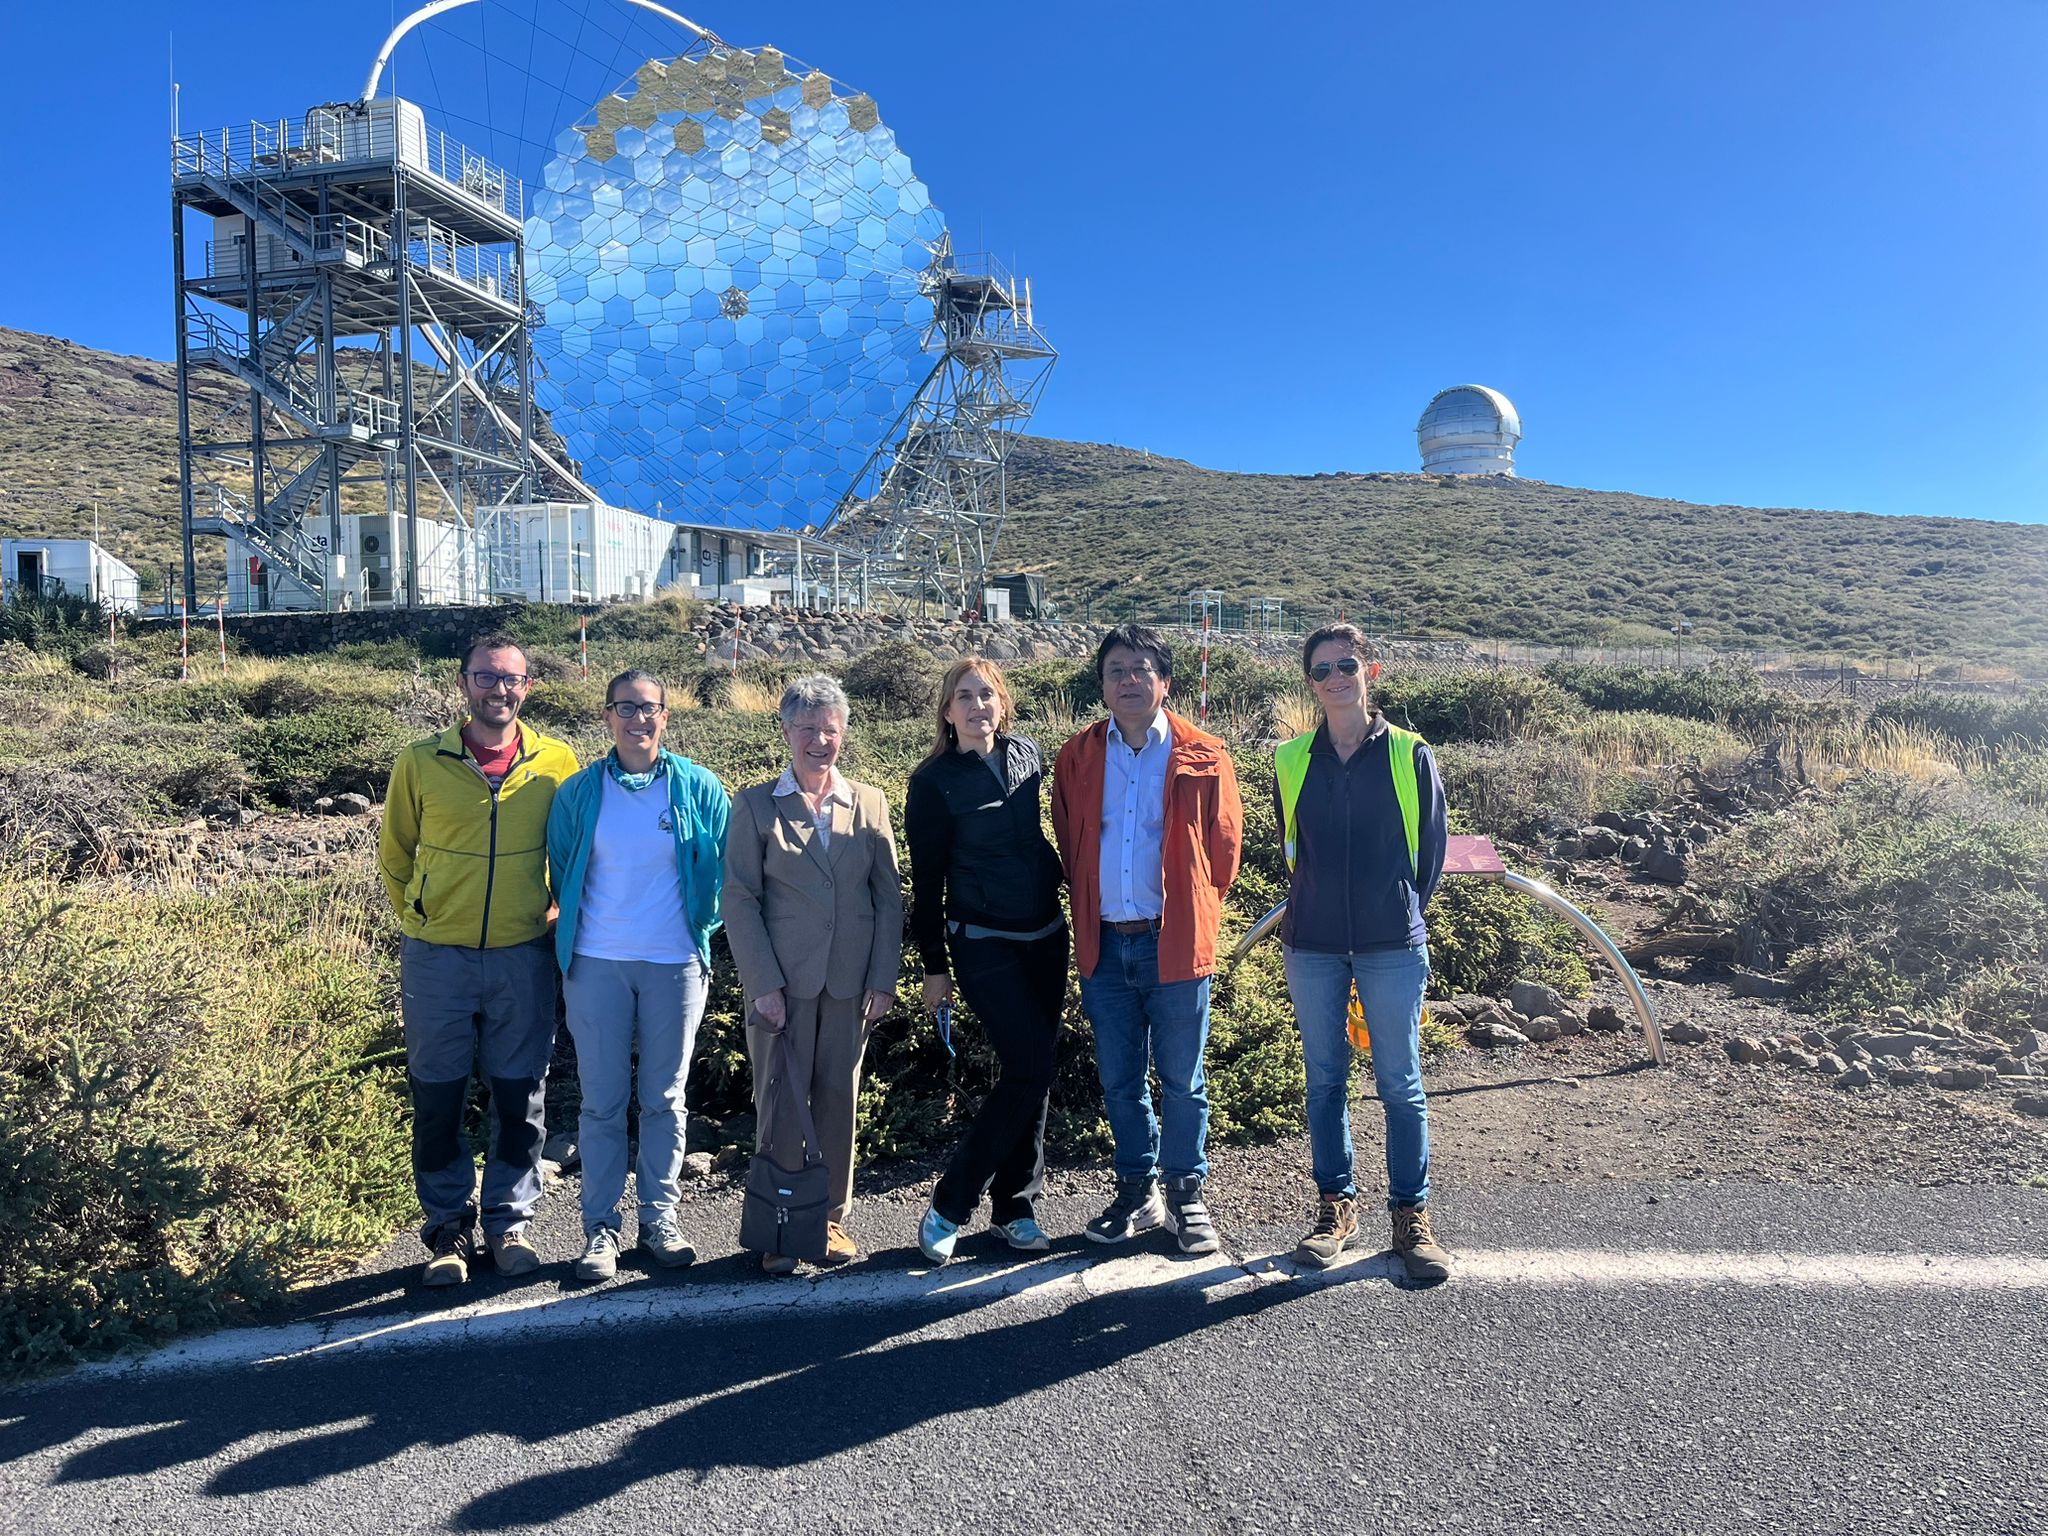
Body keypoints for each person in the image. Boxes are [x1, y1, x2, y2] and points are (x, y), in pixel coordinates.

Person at [378, 633, 580, 1287]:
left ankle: (509, 1224)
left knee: (521, 1097)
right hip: (438, 957)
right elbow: (396, 852)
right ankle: (447, 1232)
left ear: (529, 687)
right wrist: (423, 916)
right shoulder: (421, 759)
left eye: (512, 679)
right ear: (463, 683)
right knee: (438, 1097)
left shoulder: (557, 761)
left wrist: (550, 911)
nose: (500, 690)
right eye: (486, 677)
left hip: (523, 955)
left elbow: (571, 848)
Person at [1053, 624, 1243, 1254]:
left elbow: (1225, 854)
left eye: (1140, 669)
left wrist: (1192, 913)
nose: (1128, 680)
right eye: (1115, 671)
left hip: (1175, 941)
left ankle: (1186, 1191)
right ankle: (1138, 1190)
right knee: (1120, 1079)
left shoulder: (1205, 753)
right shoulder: (1077, 755)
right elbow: (1069, 839)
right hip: (1103, 941)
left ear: (1164, 681)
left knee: (1183, 1079)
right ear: (1101, 685)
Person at [1272, 622, 1453, 1282]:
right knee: (1325, 1083)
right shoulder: (1292, 760)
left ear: (1369, 670)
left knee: (1400, 1085)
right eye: (1321, 670)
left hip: (1390, 944)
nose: (1335, 677)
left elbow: (1429, 856)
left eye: (1346, 663)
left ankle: (1411, 1216)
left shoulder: (1409, 754)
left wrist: (1395, 911)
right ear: (1311, 684)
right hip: (1313, 942)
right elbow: (1293, 850)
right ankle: (1335, 1210)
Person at [545, 668, 730, 1282]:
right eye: (625, 708)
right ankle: (599, 1230)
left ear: (665, 718)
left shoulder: (699, 787)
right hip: (595, 963)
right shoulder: (578, 793)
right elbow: (563, 866)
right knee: (601, 1104)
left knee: (665, 1098)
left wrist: (704, 930)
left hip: (674, 965)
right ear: (607, 717)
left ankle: (659, 1219)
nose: (638, 719)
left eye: (649, 708)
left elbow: (725, 870)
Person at [722, 675, 903, 1275]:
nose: (819, 741)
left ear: (843, 735)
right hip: (781, 987)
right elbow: (740, 900)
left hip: (849, 984)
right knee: (778, 1104)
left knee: (835, 1100)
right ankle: (778, 1222)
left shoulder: (871, 802)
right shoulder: (752, 805)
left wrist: (883, 979)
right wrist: (763, 985)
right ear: (785, 731)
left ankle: (826, 1218)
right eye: (807, 729)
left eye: (830, 730)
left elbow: (888, 898)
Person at [906, 657, 1068, 1263]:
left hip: (1047, 936)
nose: (978, 707)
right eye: (964, 697)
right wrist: (934, 966)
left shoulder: (1027, 756)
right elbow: (926, 886)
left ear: (1003, 703)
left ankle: (1015, 1206)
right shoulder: (934, 782)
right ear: (947, 712)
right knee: (1029, 1068)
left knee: (1035, 1070)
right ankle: (952, 1201)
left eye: (987, 695)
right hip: (982, 942)